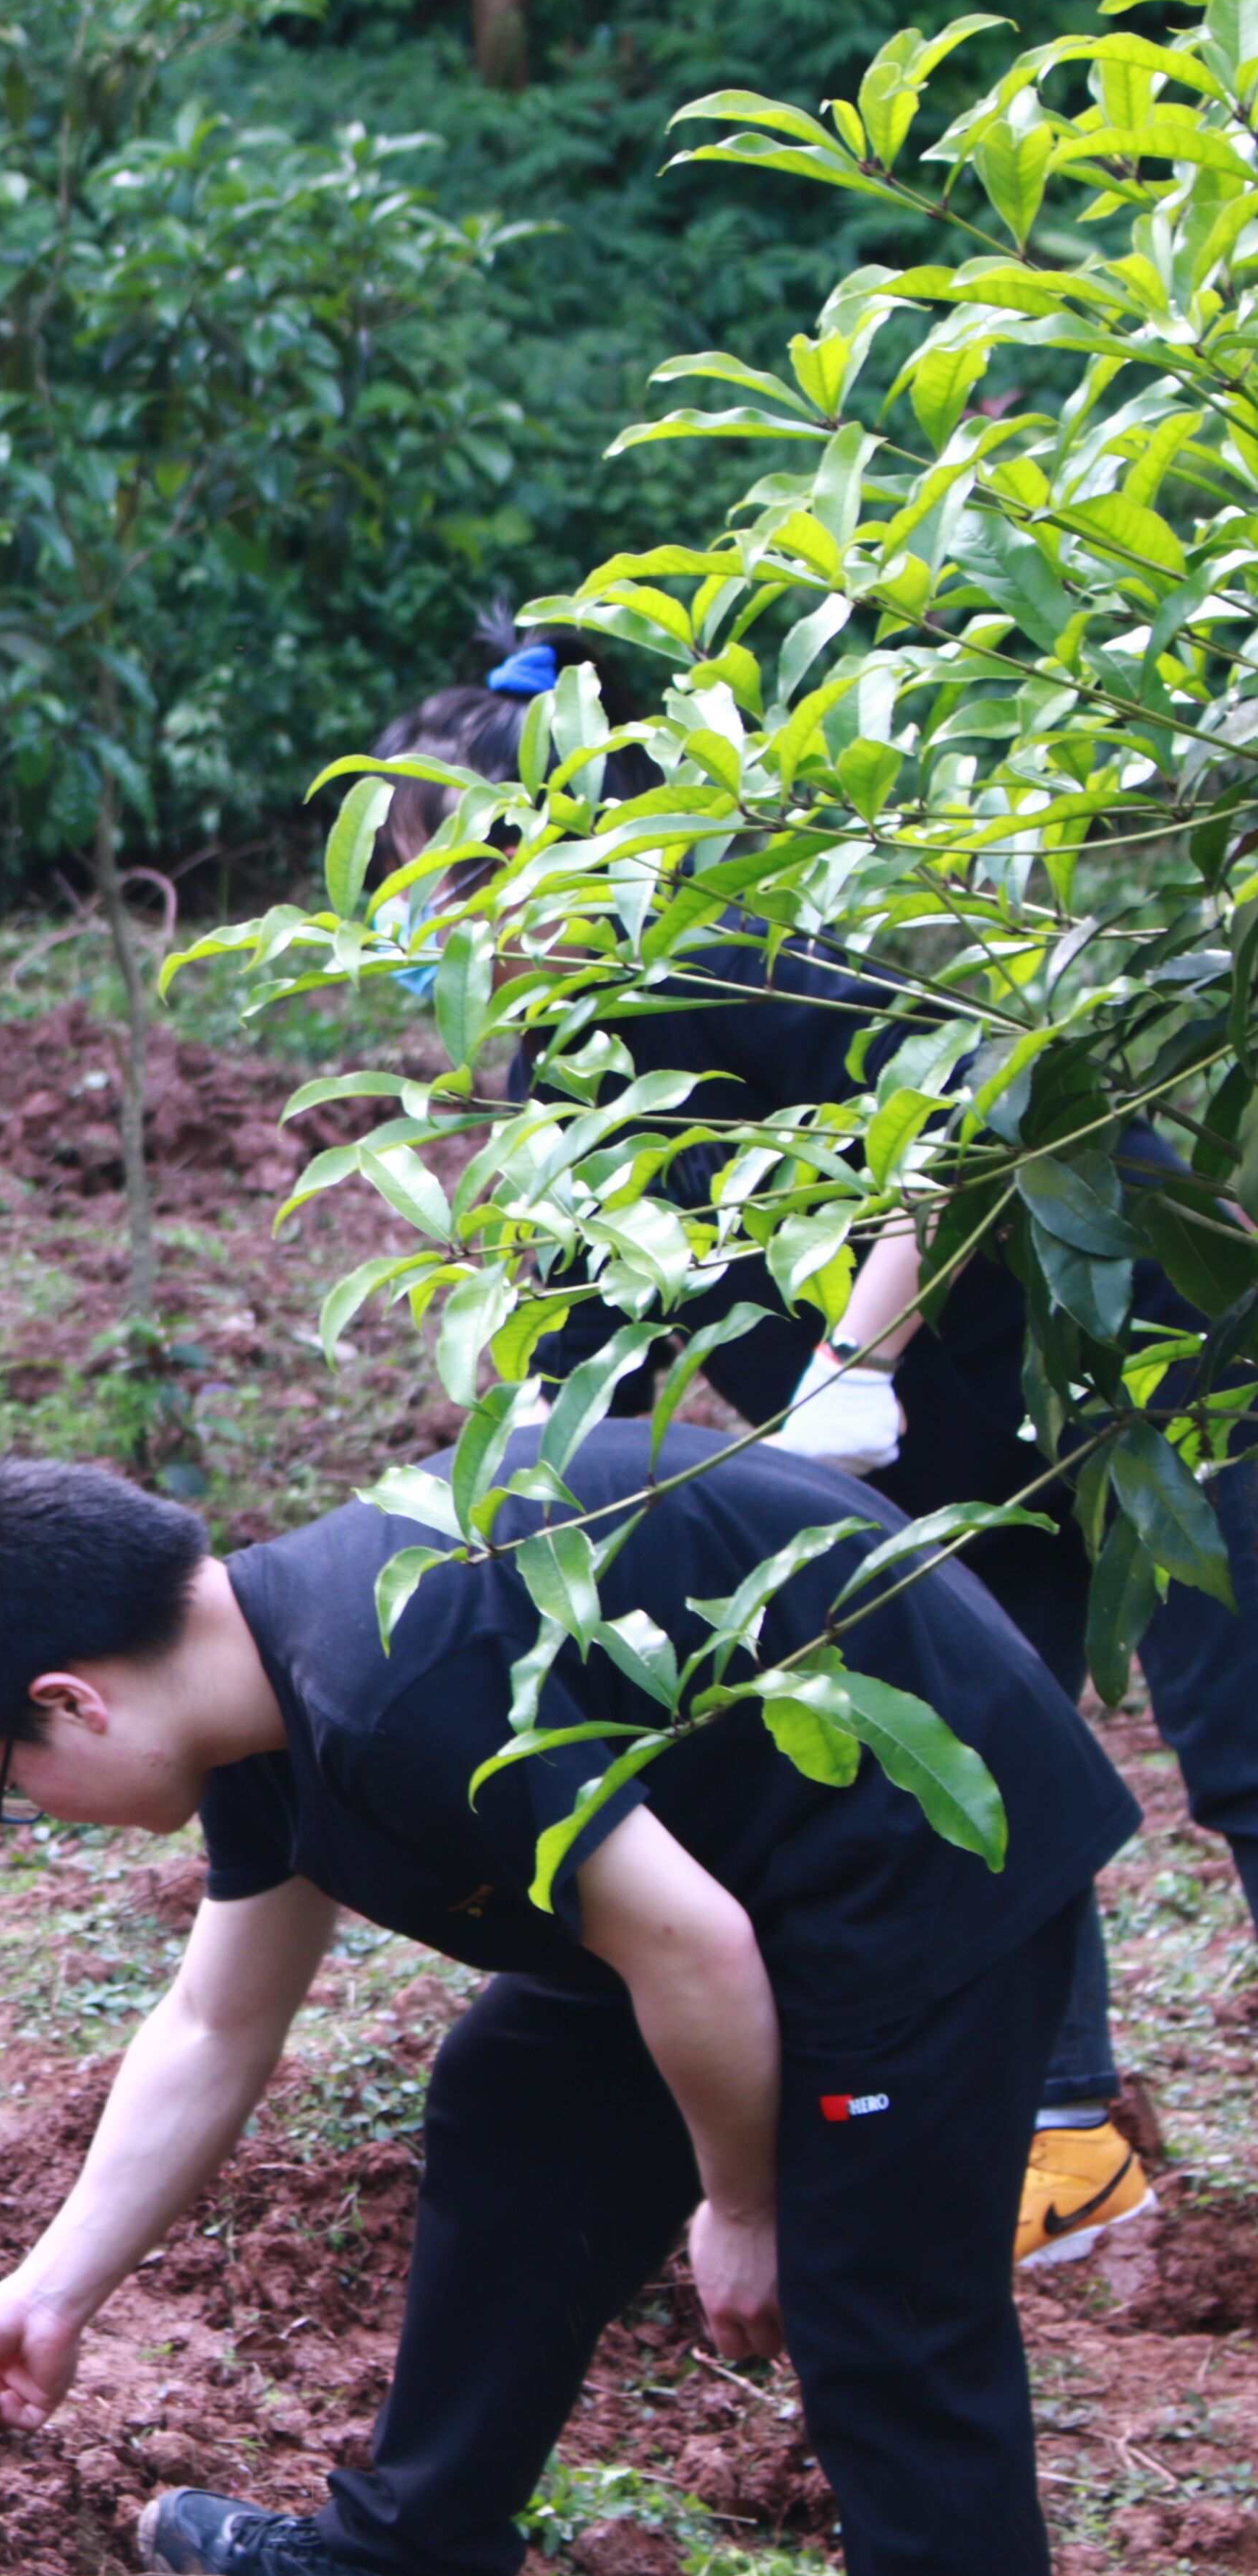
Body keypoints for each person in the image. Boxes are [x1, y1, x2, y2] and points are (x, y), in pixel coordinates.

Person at [0, 1441, 1124, 2576]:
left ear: (72, 1703)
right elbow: (215, 2022)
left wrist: (750, 2203)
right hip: (723, 1851)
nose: (32, 1813)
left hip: (916, 1841)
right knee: (521, 2102)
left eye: (5, 1784)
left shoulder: (387, 1691)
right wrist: (52, 2292)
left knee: (886, 2333)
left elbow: (693, 1950)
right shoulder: (265, 1694)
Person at [375, 626, 1254, 2264]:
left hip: (1162, 1351)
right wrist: (463, 1539)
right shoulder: (569, 1067)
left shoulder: (740, 956)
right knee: (978, 1748)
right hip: (969, 1452)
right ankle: (1069, 2137)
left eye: (455, 878)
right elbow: (574, 1370)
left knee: (1247, 1744)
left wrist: (852, 1361)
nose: (438, 928)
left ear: (570, 837)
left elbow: (974, 1094)